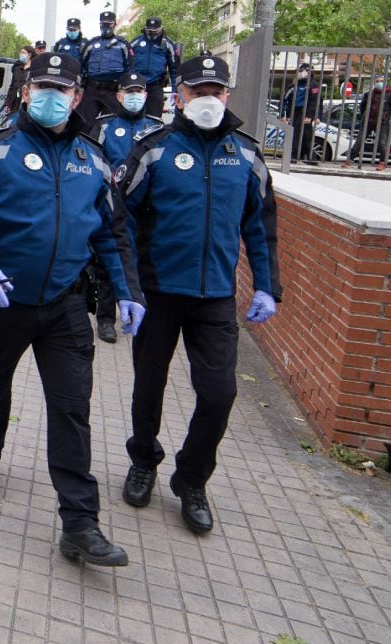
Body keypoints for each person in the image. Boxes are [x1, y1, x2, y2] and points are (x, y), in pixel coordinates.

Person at [0, 53, 146, 567]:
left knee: (72, 409)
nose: (51, 96)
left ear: (78, 98)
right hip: (2, 299)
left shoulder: (92, 159)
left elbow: (112, 231)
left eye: (62, 89)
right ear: (26, 92)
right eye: (42, 87)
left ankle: (79, 522)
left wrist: (128, 291)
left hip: (65, 304)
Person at [117, 54, 281, 535]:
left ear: (227, 95)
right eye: (196, 91)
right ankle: (143, 459)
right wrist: (126, 285)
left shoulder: (246, 155)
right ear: (179, 96)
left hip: (213, 297)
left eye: (215, 91)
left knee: (220, 394)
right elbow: (119, 216)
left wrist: (269, 287)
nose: (206, 99)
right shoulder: (154, 150)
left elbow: (262, 227)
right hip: (158, 292)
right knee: (149, 385)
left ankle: (191, 478)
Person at [91, 71, 163, 343]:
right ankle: (106, 317)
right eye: (129, 92)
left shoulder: (156, 127)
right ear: (119, 96)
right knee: (111, 257)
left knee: (142, 259)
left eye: (139, 92)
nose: (134, 97)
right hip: (112, 202)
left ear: (146, 95)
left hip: (144, 207)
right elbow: (94, 158)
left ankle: (137, 309)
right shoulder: (105, 125)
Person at [78, 11, 133, 125]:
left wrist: (126, 90)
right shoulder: (91, 44)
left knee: (113, 126)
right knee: (85, 125)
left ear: (114, 24)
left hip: (113, 91)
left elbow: (130, 69)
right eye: (103, 24)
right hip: (92, 90)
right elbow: (81, 65)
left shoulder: (123, 44)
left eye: (109, 24)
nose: (106, 27)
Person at [130, 18, 178, 117]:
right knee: (134, 118)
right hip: (136, 85)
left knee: (154, 118)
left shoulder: (168, 44)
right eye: (149, 31)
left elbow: (174, 69)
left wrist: (175, 89)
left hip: (155, 86)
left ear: (161, 28)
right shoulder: (136, 42)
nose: (152, 33)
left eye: (155, 31)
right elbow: (127, 64)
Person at [345, 74, 391, 172]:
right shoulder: (369, 94)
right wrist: (364, 116)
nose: (379, 83)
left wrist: (390, 119)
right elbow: (363, 106)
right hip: (368, 121)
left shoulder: (390, 94)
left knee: (382, 143)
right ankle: (349, 160)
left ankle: (382, 163)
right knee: (359, 141)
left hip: (383, 122)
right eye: (377, 81)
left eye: (381, 81)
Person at [280, 62, 321, 163]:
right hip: (295, 113)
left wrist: (311, 116)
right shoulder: (295, 85)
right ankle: (301, 157)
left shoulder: (313, 85)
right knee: (298, 135)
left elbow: (315, 102)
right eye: (301, 71)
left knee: (304, 136)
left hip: (305, 112)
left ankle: (301, 157)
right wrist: (285, 115)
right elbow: (285, 100)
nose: (302, 73)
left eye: (305, 71)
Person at [5, 46, 37, 116]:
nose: (21, 54)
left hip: (26, 101)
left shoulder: (34, 69)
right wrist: (8, 103)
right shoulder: (17, 68)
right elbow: (12, 86)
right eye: (20, 53)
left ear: (30, 55)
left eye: (23, 53)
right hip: (15, 101)